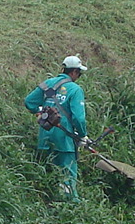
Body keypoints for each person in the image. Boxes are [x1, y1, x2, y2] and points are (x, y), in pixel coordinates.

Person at [24, 55, 89, 200]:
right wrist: (83, 135)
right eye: (79, 73)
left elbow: (29, 102)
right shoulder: (75, 89)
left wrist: (40, 111)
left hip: (45, 136)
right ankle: (70, 204)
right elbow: (79, 118)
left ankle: (44, 202)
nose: (79, 76)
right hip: (64, 139)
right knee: (67, 174)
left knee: (47, 173)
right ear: (73, 72)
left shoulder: (49, 84)